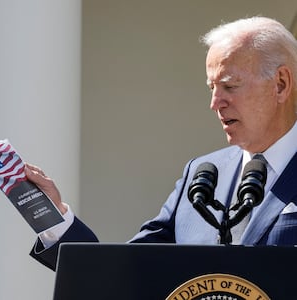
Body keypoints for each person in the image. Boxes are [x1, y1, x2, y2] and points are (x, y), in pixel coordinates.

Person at [26, 16, 297, 271]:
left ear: (281, 84)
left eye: (229, 86)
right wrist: (54, 217)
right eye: (211, 88)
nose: (215, 103)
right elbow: (127, 272)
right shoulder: (201, 175)